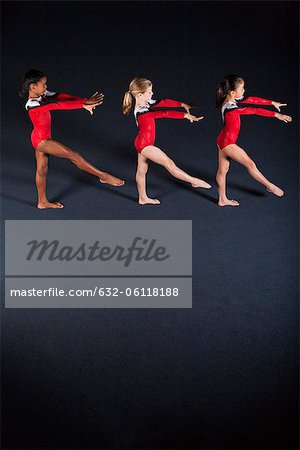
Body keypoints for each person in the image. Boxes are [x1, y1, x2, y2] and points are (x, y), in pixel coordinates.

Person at [21, 69, 124, 209]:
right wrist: (82, 105)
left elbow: (61, 97)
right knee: (73, 155)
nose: (46, 87)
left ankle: (42, 202)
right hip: (41, 141)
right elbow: (58, 105)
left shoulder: (42, 95)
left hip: (41, 137)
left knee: (41, 170)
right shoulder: (32, 104)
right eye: (43, 84)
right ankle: (103, 176)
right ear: (33, 87)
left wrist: (84, 101)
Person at [123, 77, 211, 205]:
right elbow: (164, 113)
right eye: (149, 92)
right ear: (140, 94)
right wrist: (185, 115)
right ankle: (194, 181)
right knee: (169, 163)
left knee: (142, 170)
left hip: (141, 141)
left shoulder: (146, 103)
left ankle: (142, 198)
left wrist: (182, 104)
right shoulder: (142, 111)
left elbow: (163, 102)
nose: (152, 94)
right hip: (145, 145)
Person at [215, 74, 292, 206]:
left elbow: (252, 100)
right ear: (233, 92)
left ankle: (222, 199)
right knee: (250, 164)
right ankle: (269, 185)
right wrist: (277, 115)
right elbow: (254, 110)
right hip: (228, 143)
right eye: (242, 88)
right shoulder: (231, 109)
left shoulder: (229, 101)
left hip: (222, 139)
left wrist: (272, 103)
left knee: (223, 171)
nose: (244, 90)